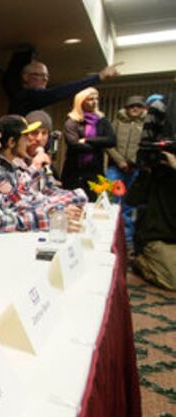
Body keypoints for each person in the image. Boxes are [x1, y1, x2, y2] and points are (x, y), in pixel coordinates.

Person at [2, 48, 119, 115]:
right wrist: (98, 77)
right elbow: (57, 93)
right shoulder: (27, 95)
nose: (45, 79)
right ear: (25, 77)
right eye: (40, 75)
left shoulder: (28, 97)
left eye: (47, 76)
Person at [128, 150, 176, 290]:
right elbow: (132, 200)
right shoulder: (154, 174)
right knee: (173, 281)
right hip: (157, 238)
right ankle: (141, 261)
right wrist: (144, 172)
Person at [63, 87, 117, 201]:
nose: (95, 102)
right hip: (74, 172)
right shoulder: (72, 122)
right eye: (90, 99)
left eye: (96, 99)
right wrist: (99, 145)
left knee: (93, 203)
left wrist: (88, 140)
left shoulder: (102, 120)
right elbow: (74, 145)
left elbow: (111, 141)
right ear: (81, 101)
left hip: (95, 171)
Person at [108, 95, 147, 247]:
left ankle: (128, 241)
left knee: (129, 205)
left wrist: (133, 161)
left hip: (135, 170)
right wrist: (120, 161)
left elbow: (146, 146)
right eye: (131, 106)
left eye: (138, 106)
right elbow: (109, 144)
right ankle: (109, 237)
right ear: (126, 108)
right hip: (115, 168)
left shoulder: (146, 124)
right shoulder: (117, 122)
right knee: (111, 201)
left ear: (143, 108)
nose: (135, 108)